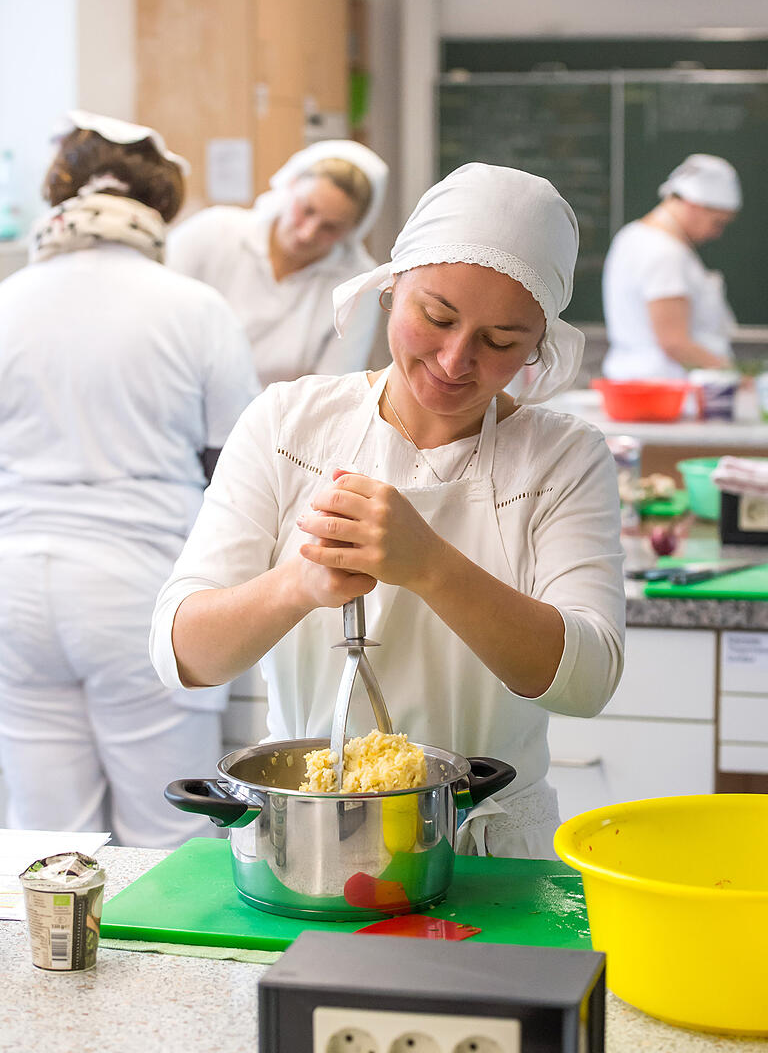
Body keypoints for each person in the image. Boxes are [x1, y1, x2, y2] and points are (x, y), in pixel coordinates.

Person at [150, 162, 625, 859]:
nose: (456, 359)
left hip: (484, 858)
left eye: (501, 342)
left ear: (538, 345)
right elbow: (181, 653)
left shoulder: (562, 458)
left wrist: (429, 564)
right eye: (436, 316)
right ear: (390, 287)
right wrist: (300, 583)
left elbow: (588, 679)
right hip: (309, 847)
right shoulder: (289, 424)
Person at [0, 110, 259, 847]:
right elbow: (233, 469)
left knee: (43, 847)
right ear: (159, 205)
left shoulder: (8, 301)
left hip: (15, 590)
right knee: (167, 840)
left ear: (60, 194)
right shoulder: (194, 308)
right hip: (138, 589)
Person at [166, 139, 389, 386]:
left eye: (331, 227)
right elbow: (155, 312)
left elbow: (332, 388)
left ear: (354, 229)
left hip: (278, 421)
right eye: (306, 210)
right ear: (290, 186)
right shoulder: (213, 232)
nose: (308, 234)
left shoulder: (358, 283)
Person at [602, 153, 741, 381]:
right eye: (717, 222)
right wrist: (734, 375)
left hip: (638, 384)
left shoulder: (632, 236)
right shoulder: (665, 253)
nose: (717, 233)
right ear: (693, 205)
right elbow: (674, 343)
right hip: (664, 390)